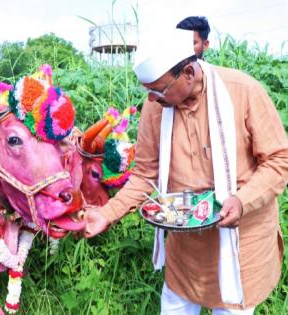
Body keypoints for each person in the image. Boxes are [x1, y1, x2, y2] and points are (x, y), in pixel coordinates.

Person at [84, 28, 288, 314]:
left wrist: (242, 201)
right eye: (149, 92)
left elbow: (278, 160)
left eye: (160, 90)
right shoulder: (156, 106)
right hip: (187, 251)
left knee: (232, 307)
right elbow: (145, 174)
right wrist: (106, 214)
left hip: (242, 242)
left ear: (189, 73)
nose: (153, 99)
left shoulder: (242, 91)